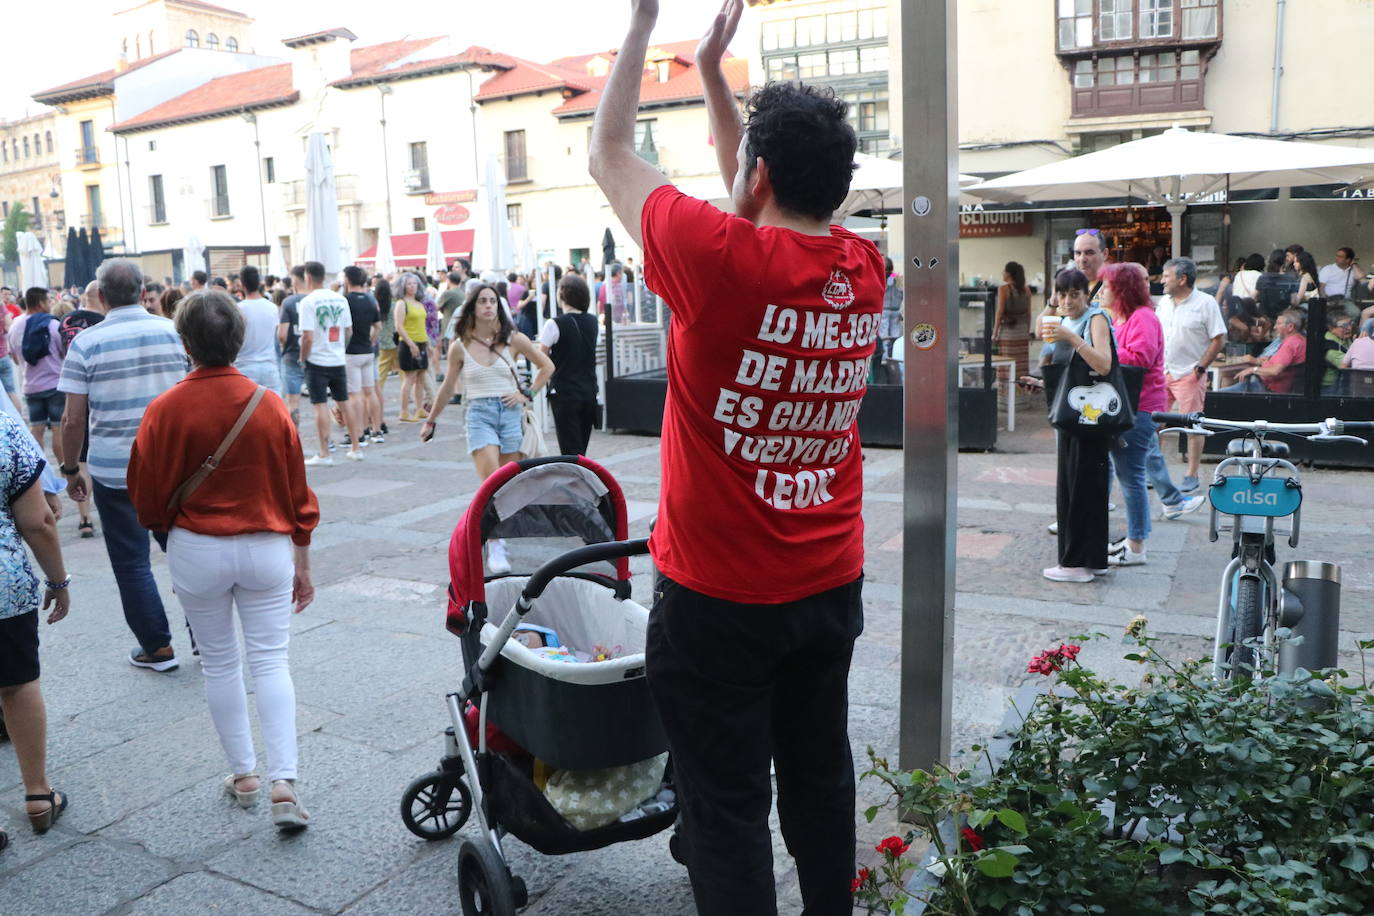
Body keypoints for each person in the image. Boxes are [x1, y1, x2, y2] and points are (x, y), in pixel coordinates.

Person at [589, 1, 880, 910]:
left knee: (725, 809)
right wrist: (719, 79)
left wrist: (641, 30)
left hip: (717, 599)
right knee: (820, 779)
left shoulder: (716, 261)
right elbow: (753, 198)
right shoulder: (862, 268)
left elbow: (608, 156)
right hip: (827, 584)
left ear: (755, 176)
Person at [127, 290, 318, 832]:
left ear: (184, 343)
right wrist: (303, 562)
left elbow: (144, 497)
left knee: (218, 662)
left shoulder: (164, 410)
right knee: (271, 660)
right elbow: (298, 494)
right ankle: (285, 780)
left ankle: (245, 775)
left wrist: (172, 522)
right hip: (266, 547)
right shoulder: (270, 403)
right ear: (239, 338)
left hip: (196, 547)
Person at [58, 258, 186, 671]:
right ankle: (206, 636)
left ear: (102, 296)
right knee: (187, 552)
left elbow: (72, 418)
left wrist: (70, 467)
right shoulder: (174, 333)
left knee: (132, 561)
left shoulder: (86, 343)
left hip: (116, 469)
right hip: (175, 465)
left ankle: (157, 646)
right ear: (143, 292)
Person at [422, 283, 554, 572]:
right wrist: (431, 419)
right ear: (472, 307)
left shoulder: (514, 339)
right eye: (482, 301)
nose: (488, 306)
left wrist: (527, 394)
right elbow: (446, 387)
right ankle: (495, 544)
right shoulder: (460, 345)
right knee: (491, 481)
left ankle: (496, 536)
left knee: (506, 485)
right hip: (478, 413)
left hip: (510, 413)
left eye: (492, 301)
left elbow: (546, 366)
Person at [1100, 262, 1204, 570]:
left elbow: (1140, 358)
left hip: (1139, 405)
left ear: (1122, 290)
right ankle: (1136, 538)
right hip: (1131, 404)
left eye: (1108, 286)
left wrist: (1104, 350)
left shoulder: (1142, 317)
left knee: (1131, 477)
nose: (1103, 291)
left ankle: (1137, 544)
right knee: (1130, 474)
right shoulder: (1128, 317)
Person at [0, 411, 72, 845]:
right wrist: (59, 581)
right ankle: (38, 796)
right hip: (2, 586)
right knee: (18, 686)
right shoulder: (3, 426)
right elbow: (37, 520)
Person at [1030, 268, 1114, 584]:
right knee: (1081, 487)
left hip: (1089, 418)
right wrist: (1040, 382)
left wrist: (1072, 338)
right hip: (1075, 414)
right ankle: (1095, 560)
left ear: (1085, 294)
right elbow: (1069, 372)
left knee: (1079, 490)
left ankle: (1076, 564)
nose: (1067, 301)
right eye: (1062, 294)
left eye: (1074, 294)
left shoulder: (1095, 320)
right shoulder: (1066, 321)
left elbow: (1103, 364)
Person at [1156, 256, 1226, 493]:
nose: (1162, 280)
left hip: (1189, 373)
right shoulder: (1164, 303)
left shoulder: (1205, 303)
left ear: (1182, 279)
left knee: (1193, 426)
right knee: (1153, 424)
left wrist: (1201, 367)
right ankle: (1155, 471)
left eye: (1167, 276)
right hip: (1162, 371)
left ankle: (1192, 474)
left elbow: (1219, 339)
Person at [298, 261, 362, 464]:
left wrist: (302, 357)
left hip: (316, 360)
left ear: (308, 277)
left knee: (320, 405)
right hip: (337, 358)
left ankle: (325, 452)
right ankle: (356, 447)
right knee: (344, 402)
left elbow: (307, 337)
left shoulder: (308, 302)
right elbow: (349, 330)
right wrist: (340, 349)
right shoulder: (340, 299)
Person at [57, 287, 106, 539]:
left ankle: (85, 518)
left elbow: (59, 355)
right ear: (102, 297)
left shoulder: (66, 321)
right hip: (101, 396)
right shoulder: (104, 323)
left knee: (82, 459)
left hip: (74, 392)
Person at [537, 273, 600, 455]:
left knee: (569, 449)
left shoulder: (554, 324)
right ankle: (581, 480)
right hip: (588, 391)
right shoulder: (593, 321)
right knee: (581, 449)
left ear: (562, 295)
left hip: (564, 392)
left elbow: (541, 358)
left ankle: (575, 482)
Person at [8, 288, 66, 466]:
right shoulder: (53, 324)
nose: (50, 304)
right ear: (40, 303)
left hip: (30, 386)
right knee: (58, 429)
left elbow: (15, 358)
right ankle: (65, 468)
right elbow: (64, 352)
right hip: (55, 384)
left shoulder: (15, 326)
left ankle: (39, 469)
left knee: (36, 428)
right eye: (48, 301)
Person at [1220, 308, 1307, 394]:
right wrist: (1268, 360)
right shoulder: (1300, 340)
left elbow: (1275, 371)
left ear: (1290, 327)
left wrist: (1253, 369)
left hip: (1265, 389)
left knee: (1216, 396)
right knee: (1228, 377)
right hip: (1269, 385)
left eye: (1278, 324)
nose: (1275, 327)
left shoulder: (1289, 344)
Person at [341, 266, 381, 443]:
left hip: (352, 352)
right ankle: (376, 430)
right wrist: (371, 340)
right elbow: (378, 326)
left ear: (348, 280)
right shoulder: (369, 300)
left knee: (355, 394)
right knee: (370, 392)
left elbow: (346, 330)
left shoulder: (345, 300)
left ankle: (357, 433)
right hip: (367, 350)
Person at [233, 266, 282, 391]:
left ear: (242, 285)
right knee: (273, 409)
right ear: (260, 283)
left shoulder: (238, 309)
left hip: (244, 367)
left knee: (246, 410)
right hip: (269, 366)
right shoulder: (272, 308)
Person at [393, 272, 431, 423]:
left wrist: (427, 343)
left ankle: (419, 407)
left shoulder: (419, 303)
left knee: (421, 377)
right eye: (409, 284)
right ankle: (404, 411)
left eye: (414, 283)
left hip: (421, 341)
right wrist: (411, 344)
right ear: (403, 286)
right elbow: (399, 326)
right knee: (409, 378)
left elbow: (422, 325)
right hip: (409, 343)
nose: (412, 286)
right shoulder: (402, 303)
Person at [277, 265, 307, 424]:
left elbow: (282, 334)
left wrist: (283, 345)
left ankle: (293, 439)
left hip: (291, 354)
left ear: (295, 280)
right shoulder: (315, 299)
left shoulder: (288, 302)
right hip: (314, 355)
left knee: (292, 402)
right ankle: (326, 441)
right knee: (319, 402)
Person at [993, 260, 1031, 372]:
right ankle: (1022, 388)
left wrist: (995, 333)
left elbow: (999, 312)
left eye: (1004, 271)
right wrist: (1027, 332)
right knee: (1021, 365)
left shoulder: (1003, 289)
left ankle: (1006, 389)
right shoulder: (1026, 289)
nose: (1002, 273)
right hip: (1022, 333)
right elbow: (1028, 313)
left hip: (1008, 333)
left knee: (1006, 365)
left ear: (1008, 274)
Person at [371, 275, 395, 442]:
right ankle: (381, 421)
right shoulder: (394, 305)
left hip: (381, 344)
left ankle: (377, 420)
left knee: (378, 381)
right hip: (395, 342)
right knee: (405, 376)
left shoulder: (374, 304)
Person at [1255, 249, 1299, 321]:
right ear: (1284, 262)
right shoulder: (1290, 279)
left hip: (1264, 317)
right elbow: (1294, 301)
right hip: (1282, 317)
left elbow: (1255, 297)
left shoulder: (1262, 278)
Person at [1322, 311, 1354, 394]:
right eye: (1344, 326)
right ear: (1331, 328)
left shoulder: (1344, 338)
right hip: (1330, 387)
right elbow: (1349, 365)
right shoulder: (1330, 347)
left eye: (1350, 323)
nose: (1349, 328)